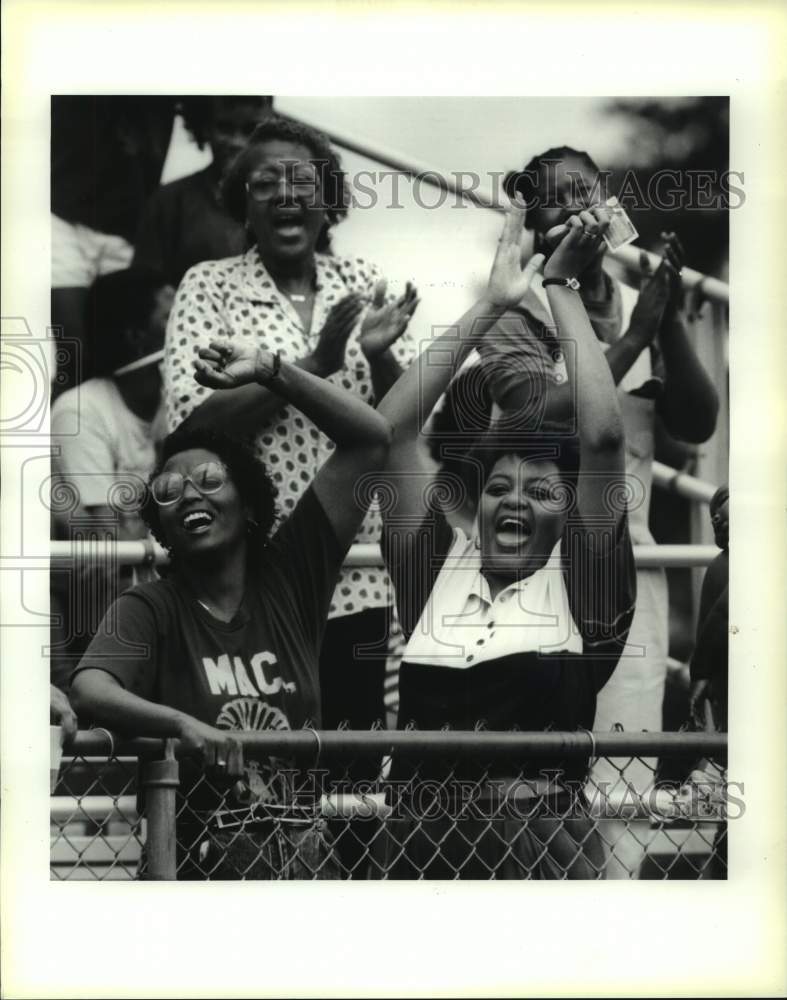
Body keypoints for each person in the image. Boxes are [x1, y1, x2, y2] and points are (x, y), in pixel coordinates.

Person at [371, 200, 636, 879]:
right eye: (498, 487)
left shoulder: (583, 582)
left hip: (541, 859)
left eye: (543, 491)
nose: (514, 499)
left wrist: (560, 286)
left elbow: (602, 436)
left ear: (568, 512)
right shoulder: (433, 567)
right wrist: (490, 306)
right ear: (475, 502)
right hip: (416, 849)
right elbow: (389, 433)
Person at [69, 341, 392, 879]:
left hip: (306, 860)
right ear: (161, 525)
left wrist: (271, 371)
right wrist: (184, 727)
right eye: (169, 491)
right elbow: (90, 688)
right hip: (198, 863)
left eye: (211, 481)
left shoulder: (292, 574)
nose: (190, 495)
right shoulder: (149, 605)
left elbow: (371, 439)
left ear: (248, 507)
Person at [493, 148, 719, 876]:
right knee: (543, 775)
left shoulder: (634, 295)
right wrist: (632, 335)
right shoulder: (516, 306)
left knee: (627, 766)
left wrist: (663, 315)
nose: (575, 213)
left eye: (584, 194)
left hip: (631, 570)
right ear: (532, 221)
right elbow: (536, 418)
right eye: (553, 202)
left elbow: (695, 421)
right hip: (537, 569)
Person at [162, 113, 419, 745]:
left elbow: (406, 425)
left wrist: (382, 357)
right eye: (266, 182)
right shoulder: (209, 285)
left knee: (354, 783)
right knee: (269, 766)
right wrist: (312, 367)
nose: (286, 195)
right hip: (255, 573)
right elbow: (191, 425)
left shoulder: (361, 282)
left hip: (357, 569)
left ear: (328, 203)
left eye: (304, 182)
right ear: (242, 204)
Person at [49, 268, 175, 688]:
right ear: (137, 338)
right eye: (171, 316)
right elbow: (107, 546)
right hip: (107, 609)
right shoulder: (82, 410)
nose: (189, 323)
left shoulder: (176, 402)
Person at [51, 96, 176, 393]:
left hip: (125, 232)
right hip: (64, 219)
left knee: (118, 358)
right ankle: (59, 431)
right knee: (74, 354)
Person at [133, 96, 273, 287]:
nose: (237, 142)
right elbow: (145, 293)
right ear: (204, 127)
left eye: (250, 130)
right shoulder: (170, 203)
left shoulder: (287, 203)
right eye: (225, 128)